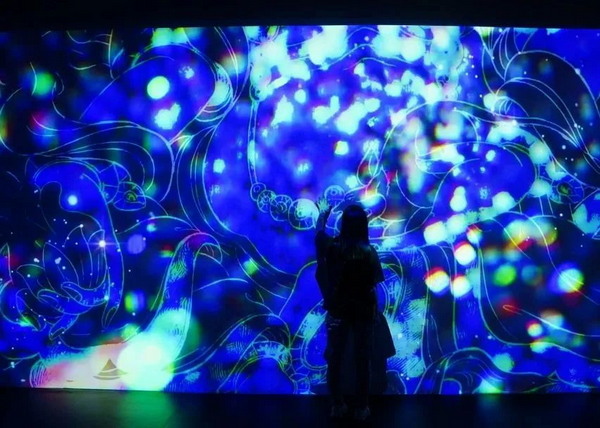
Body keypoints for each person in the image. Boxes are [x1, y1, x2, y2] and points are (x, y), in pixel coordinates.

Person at [315, 198, 385, 421]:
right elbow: (374, 284)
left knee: (335, 358)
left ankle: (337, 404)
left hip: (338, 309)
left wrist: (323, 214)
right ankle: (362, 407)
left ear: (343, 224)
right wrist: (375, 311)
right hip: (363, 309)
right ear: (364, 226)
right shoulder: (369, 252)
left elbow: (319, 235)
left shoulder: (332, 247)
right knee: (363, 360)